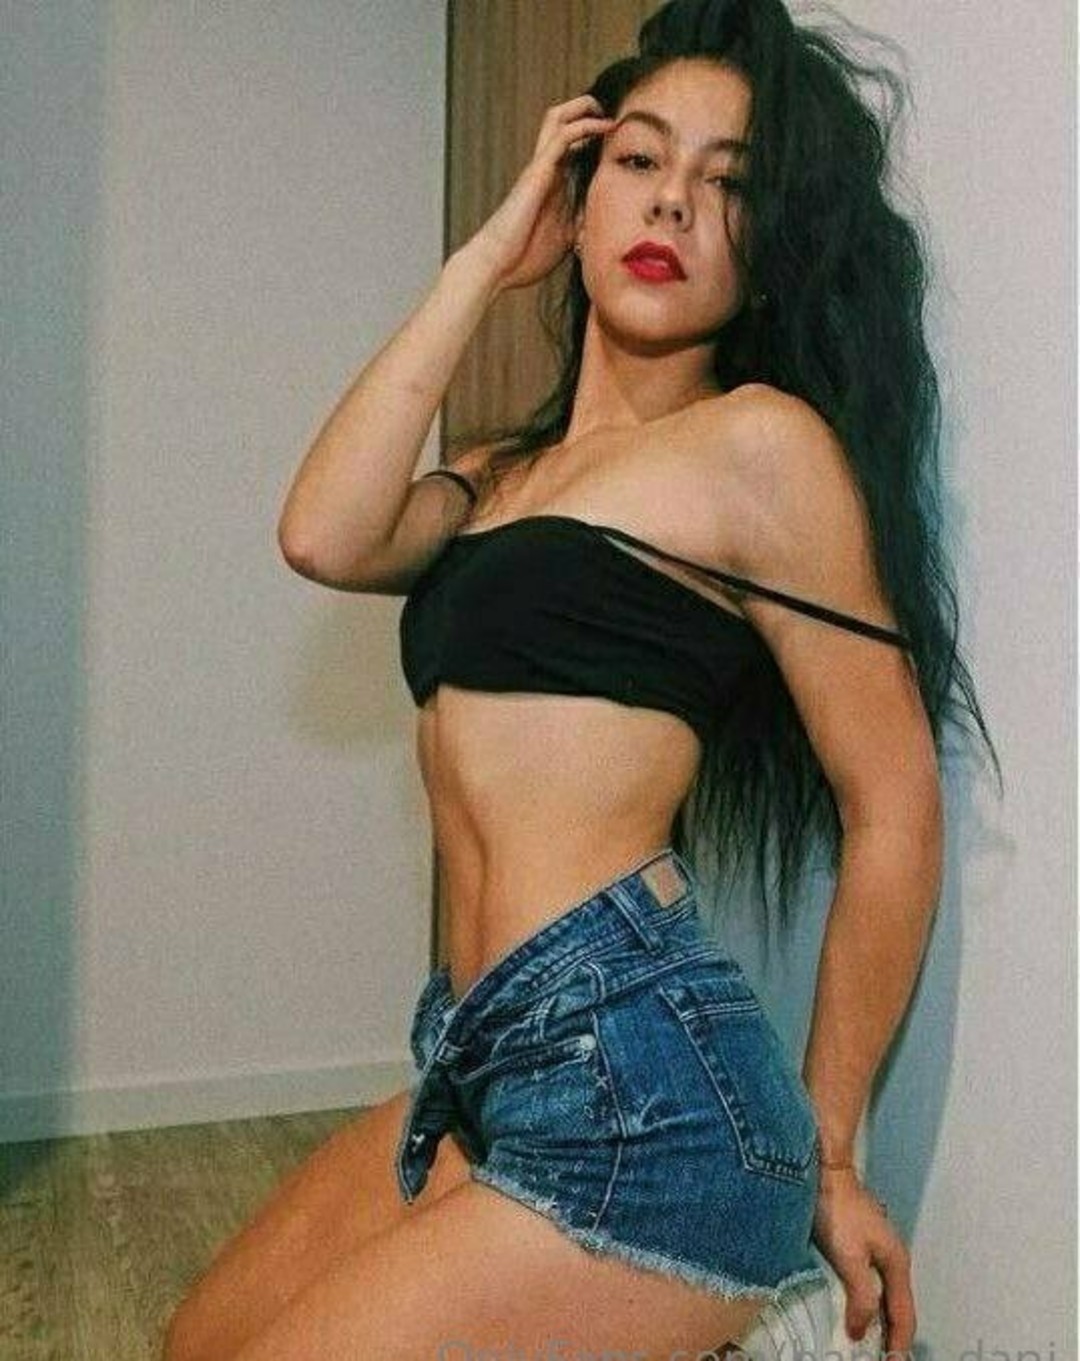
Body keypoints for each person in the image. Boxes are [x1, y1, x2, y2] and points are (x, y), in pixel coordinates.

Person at [164, 2, 999, 1358]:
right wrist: (484, 261)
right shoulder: (495, 474)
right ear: (579, 188)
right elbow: (323, 533)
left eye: (729, 183)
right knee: (197, 1344)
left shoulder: (760, 448)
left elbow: (893, 799)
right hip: (477, 1058)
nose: (673, 200)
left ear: (769, 252)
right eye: (640, 158)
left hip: (646, 1094)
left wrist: (835, 1150)